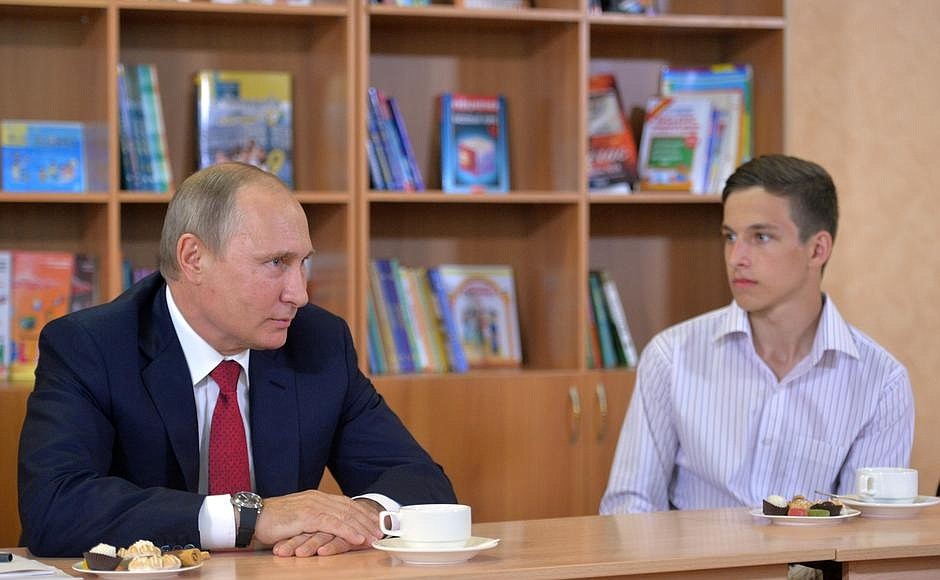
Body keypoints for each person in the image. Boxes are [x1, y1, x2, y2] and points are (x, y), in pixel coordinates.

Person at [18, 162, 456, 557]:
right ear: (193, 258)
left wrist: (359, 519)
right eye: (276, 263)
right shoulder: (91, 347)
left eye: (303, 262)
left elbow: (422, 482)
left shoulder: (318, 341)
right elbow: (54, 508)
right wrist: (250, 518)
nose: (299, 294)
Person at [600, 155, 914, 514]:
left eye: (761, 237)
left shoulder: (882, 383)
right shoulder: (671, 356)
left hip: (810, 555)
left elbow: (867, 531)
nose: (736, 258)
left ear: (817, 249)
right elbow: (629, 507)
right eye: (730, 237)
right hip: (692, 552)